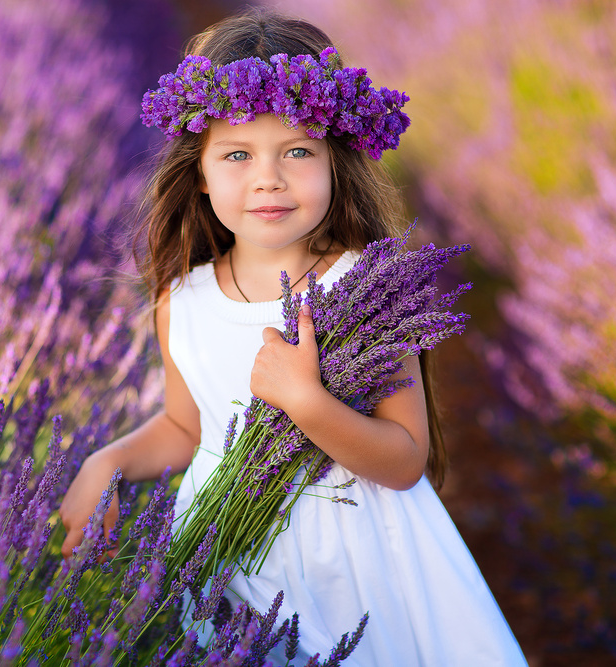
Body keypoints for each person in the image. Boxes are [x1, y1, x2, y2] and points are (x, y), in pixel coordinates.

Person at [59, 8, 528, 665]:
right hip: (229, 563)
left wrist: (306, 403)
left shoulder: (362, 289)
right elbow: (186, 426)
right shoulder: (183, 299)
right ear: (198, 169)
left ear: (335, 160)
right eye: (237, 154)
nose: (268, 177)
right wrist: (104, 462)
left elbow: (403, 458)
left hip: (355, 567)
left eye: (298, 151)